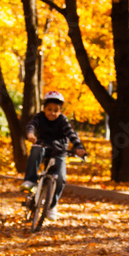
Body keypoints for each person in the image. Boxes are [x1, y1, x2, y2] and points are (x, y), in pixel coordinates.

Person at [20, 91, 86, 221]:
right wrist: (30, 134)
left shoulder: (62, 121)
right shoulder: (40, 117)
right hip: (43, 146)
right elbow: (31, 125)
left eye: (56, 110)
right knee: (35, 149)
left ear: (60, 111)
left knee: (61, 179)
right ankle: (30, 181)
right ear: (44, 109)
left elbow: (71, 134)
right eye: (49, 109)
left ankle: (52, 206)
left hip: (59, 151)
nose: (52, 113)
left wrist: (78, 147)